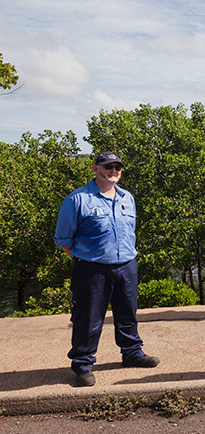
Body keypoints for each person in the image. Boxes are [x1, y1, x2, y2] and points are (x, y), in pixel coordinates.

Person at [54, 152, 159, 387]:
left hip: (126, 266)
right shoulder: (77, 200)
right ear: (95, 169)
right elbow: (64, 241)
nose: (114, 170)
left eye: (118, 167)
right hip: (92, 270)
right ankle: (82, 364)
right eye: (108, 166)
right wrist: (90, 259)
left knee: (127, 314)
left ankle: (132, 353)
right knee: (88, 318)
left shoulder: (127, 197)